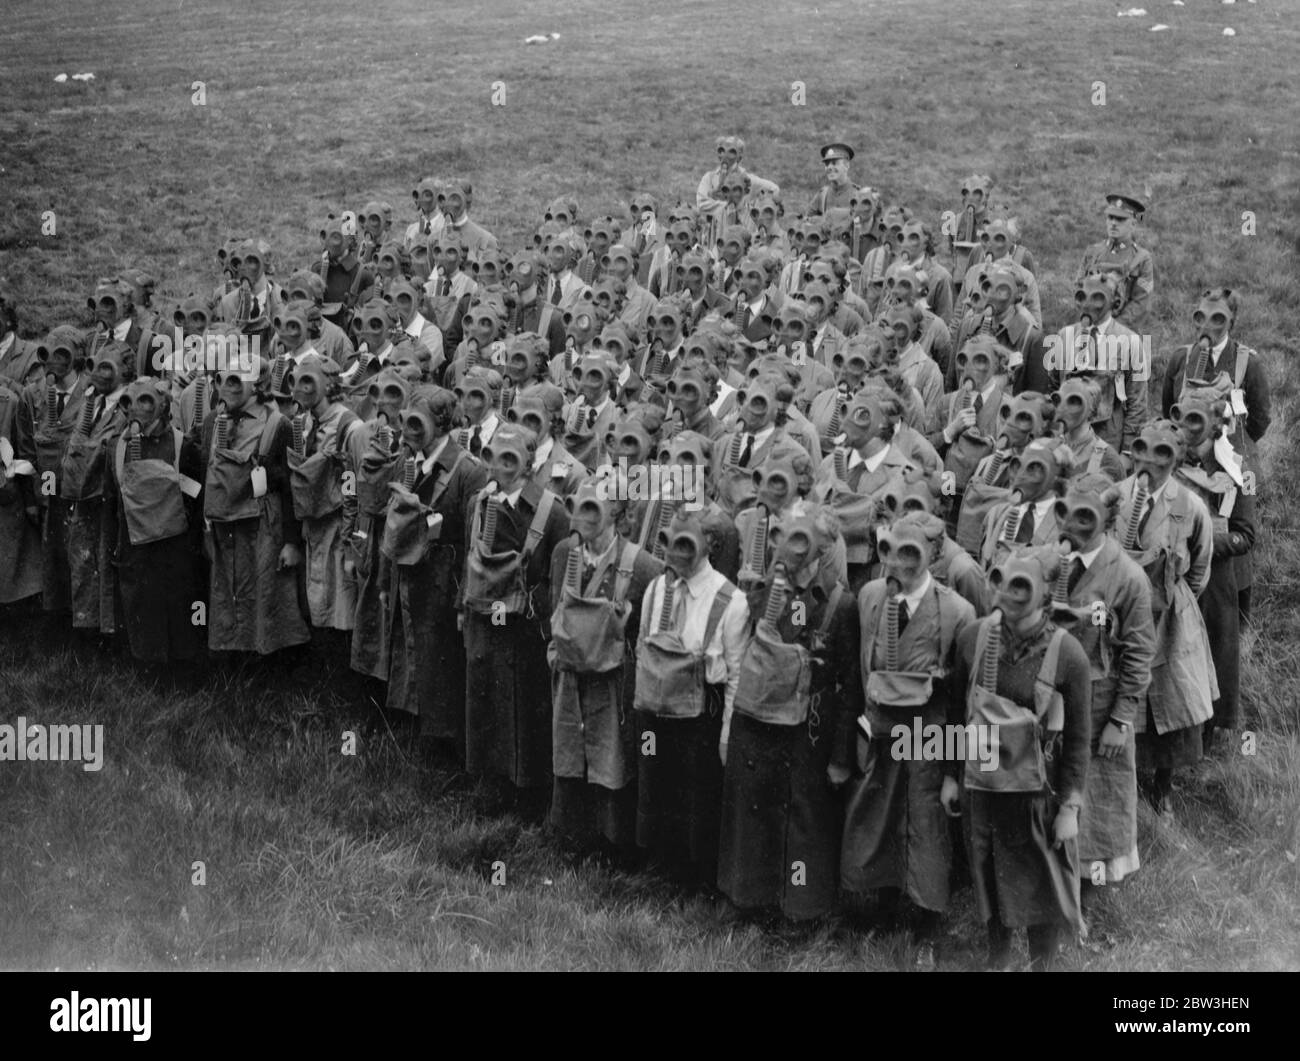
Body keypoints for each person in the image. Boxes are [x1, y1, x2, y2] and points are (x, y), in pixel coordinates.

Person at [942, 553, 1093, 971]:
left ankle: (1042, 962)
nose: (1010, 594)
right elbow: (957, 712)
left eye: (1023, 586)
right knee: (990, 873)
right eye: (1004, 581)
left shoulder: (1068, 654)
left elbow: (1080, 738)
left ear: (1045, 598)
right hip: (983, 786)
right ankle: (1000, 959)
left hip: (1037, 792)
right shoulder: (974, 638)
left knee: (1041, 879)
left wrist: (1070, 806)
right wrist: (952, 778)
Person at [841, 512, 974, 960]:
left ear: (934, 555)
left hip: (929, 737)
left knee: (925, 827)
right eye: (890, 550)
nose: (899, 562)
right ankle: (881, 907)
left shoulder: (956, 612)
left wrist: (955, 770)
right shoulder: (872, 596)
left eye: (911, 552)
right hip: (881, 729)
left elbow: (961, 702)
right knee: (879, 815)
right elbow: (864, 664)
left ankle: (927, 925)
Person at [718, 506, 859, 922]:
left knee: (803, 821)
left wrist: (840, 757)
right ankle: (750, 898)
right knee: (754, 811)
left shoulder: (839, 604)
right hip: (758, 717)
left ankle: (799, 907)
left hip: (808, 729)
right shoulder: (762, 592)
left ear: (821, 553)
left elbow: (851, 688)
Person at [1047, 474, 1155, 912]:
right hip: (1050, 702)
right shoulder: (1050, 561)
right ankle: (1053, 880)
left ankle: (1086, 897)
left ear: (1108, 521)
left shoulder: (1127, 578)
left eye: (1085, 516)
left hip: (1099, 706)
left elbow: (1139, 653)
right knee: (1055, 789)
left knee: (1098, 797)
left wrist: (1120, 720)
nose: (1073, 524)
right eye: (1067, 513)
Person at [634, 507, 749, 889]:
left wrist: (726, 736)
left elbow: (735, 677)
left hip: (701, 716)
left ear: (709, 545)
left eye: (685, 543)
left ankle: (696, 880)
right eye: (669, 541)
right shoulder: (657, 589)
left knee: (696, 796)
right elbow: (641, 647)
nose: (673, 553)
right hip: (656, 710)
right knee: (656, 786)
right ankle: (660, 868)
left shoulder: (730, 601)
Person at [548, 471, 662, 854]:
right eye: (580, 505)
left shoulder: (642, 566)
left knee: (612, 757)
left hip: (614, 681)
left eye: (597, 506)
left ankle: (613, 846)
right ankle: (569, 838)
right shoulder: (565, 554)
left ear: (617, 511)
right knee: (569, 751)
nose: (586, 515)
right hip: (570, 675)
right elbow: (554, 610)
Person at [461, 423, 571, 809]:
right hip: (484, 620)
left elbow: (561, 578)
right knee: (485, 700)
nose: (500, 467)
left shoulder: (550, 513)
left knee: (524, 711)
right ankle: (490, 782)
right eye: (494, 456)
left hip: (525, 630)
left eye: (511, 460)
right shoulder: (478, 504)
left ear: (528, 465)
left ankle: (528, 793)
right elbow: (469, 559)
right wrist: (464, 608)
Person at [1117, 421, 1215, 821]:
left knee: (1169, 702)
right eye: (1142, 449)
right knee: (1127, 694)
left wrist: (1175, 597)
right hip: (1125, 610)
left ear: (1175, 460)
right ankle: (1128, 781)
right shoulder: (1118, 497)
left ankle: (1163, 787)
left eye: (1162, 454)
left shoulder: (1189, 505)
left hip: (1171, 615)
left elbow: (1201, 565)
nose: (1149, 462)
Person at [381, 385, 487, 755]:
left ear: (441, 425)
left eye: (416, 422)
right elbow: (391, 524)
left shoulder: (469, 472)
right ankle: (413, 725)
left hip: (445, 579)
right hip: (410, 575)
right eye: (405, 421)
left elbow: (476, 542)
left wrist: (463, 599)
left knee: (441, 659)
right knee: (412, 651)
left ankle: (443, 744)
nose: (408, 430)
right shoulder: (407, 461)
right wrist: (384, 579)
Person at [1160, 288, 1270, 625]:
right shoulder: (1182, 358)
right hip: (1189, 456)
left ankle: (1235, 615)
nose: (1208, 326)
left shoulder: (1246, 362)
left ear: (1232, 321)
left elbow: (1261, 417)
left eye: (1218, 318)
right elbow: (1168, 406)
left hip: (1232, 461)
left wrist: (1236, 448)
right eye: (1202, 317)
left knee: (1234, 539)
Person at [199, 356, 310, 656]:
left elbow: (290, 490)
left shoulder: (278, 425)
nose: (229, 387)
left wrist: (291, 542)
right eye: (224, 379)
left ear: (259, 384)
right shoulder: (211, 422)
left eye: (238, 380)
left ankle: (267, 663)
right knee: (228, 592)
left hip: (263, 525)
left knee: (266, 593)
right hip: (224, 525)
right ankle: (230, 657)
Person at [1170, 389, 1254, 751]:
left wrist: (1203, 543)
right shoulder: (1167, 462)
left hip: (1216, 580)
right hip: (1174, 578)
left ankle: (1208, 735)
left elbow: (1245, 535)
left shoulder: (1237, 471)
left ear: (1215, 426)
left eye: (1197, 420)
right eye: (1183, 418)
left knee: (1215, 656)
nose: (1188, 430)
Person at [105, 377, 204, 665]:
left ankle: (182, 666)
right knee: (139, 603)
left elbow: (196, 495)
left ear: (163, 406)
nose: (137, 409)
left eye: (146, 401)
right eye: (130, 402)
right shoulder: (115, 447)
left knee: (177, 604)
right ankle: (145, 665)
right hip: (133, 545)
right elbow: (110, 502)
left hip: (174, 546)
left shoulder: (181, 445)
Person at [1075, 193, 1154, 333]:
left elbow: (1141, 304)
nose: (1113, 223)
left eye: (1120, 219)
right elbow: (1078, 288)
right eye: (1110, 217)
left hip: (1122, 334)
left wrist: (1110, 329)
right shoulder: (1092, 252)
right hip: (1087, 327)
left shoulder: (1142, 258)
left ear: (1133, 224)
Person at [807, 142, 859, 216]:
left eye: (834, 163)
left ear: (847, 165)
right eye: (827, 164)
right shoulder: (822, 196)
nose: (829, 167)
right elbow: (806, 223)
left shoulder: (859, 195)